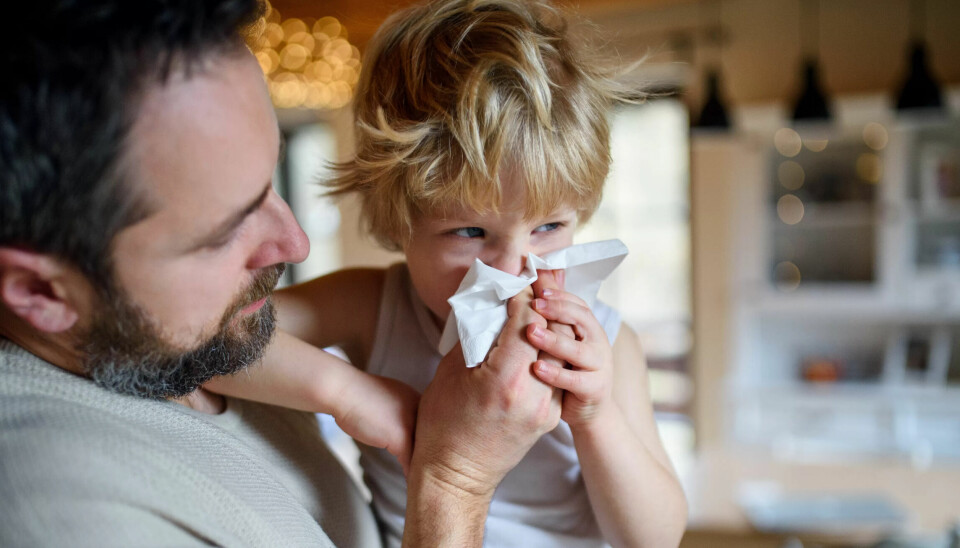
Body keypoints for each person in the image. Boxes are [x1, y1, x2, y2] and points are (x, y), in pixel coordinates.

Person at [0, 1, 563, 546]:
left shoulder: (203, 339)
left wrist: (345, 391)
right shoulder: (58, 511)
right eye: (224, 231)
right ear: (40, 291)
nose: (296, 244)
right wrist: (455, 481)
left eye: (269, 181)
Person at [210, 0, 688, 546]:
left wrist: (597, 417)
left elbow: (654, 538)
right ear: (399, 224)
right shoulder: (374, 306)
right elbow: (207, 337)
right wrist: (350, 392)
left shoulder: (606, 344)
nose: (514, 268)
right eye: (470, 232)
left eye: (549, 226)